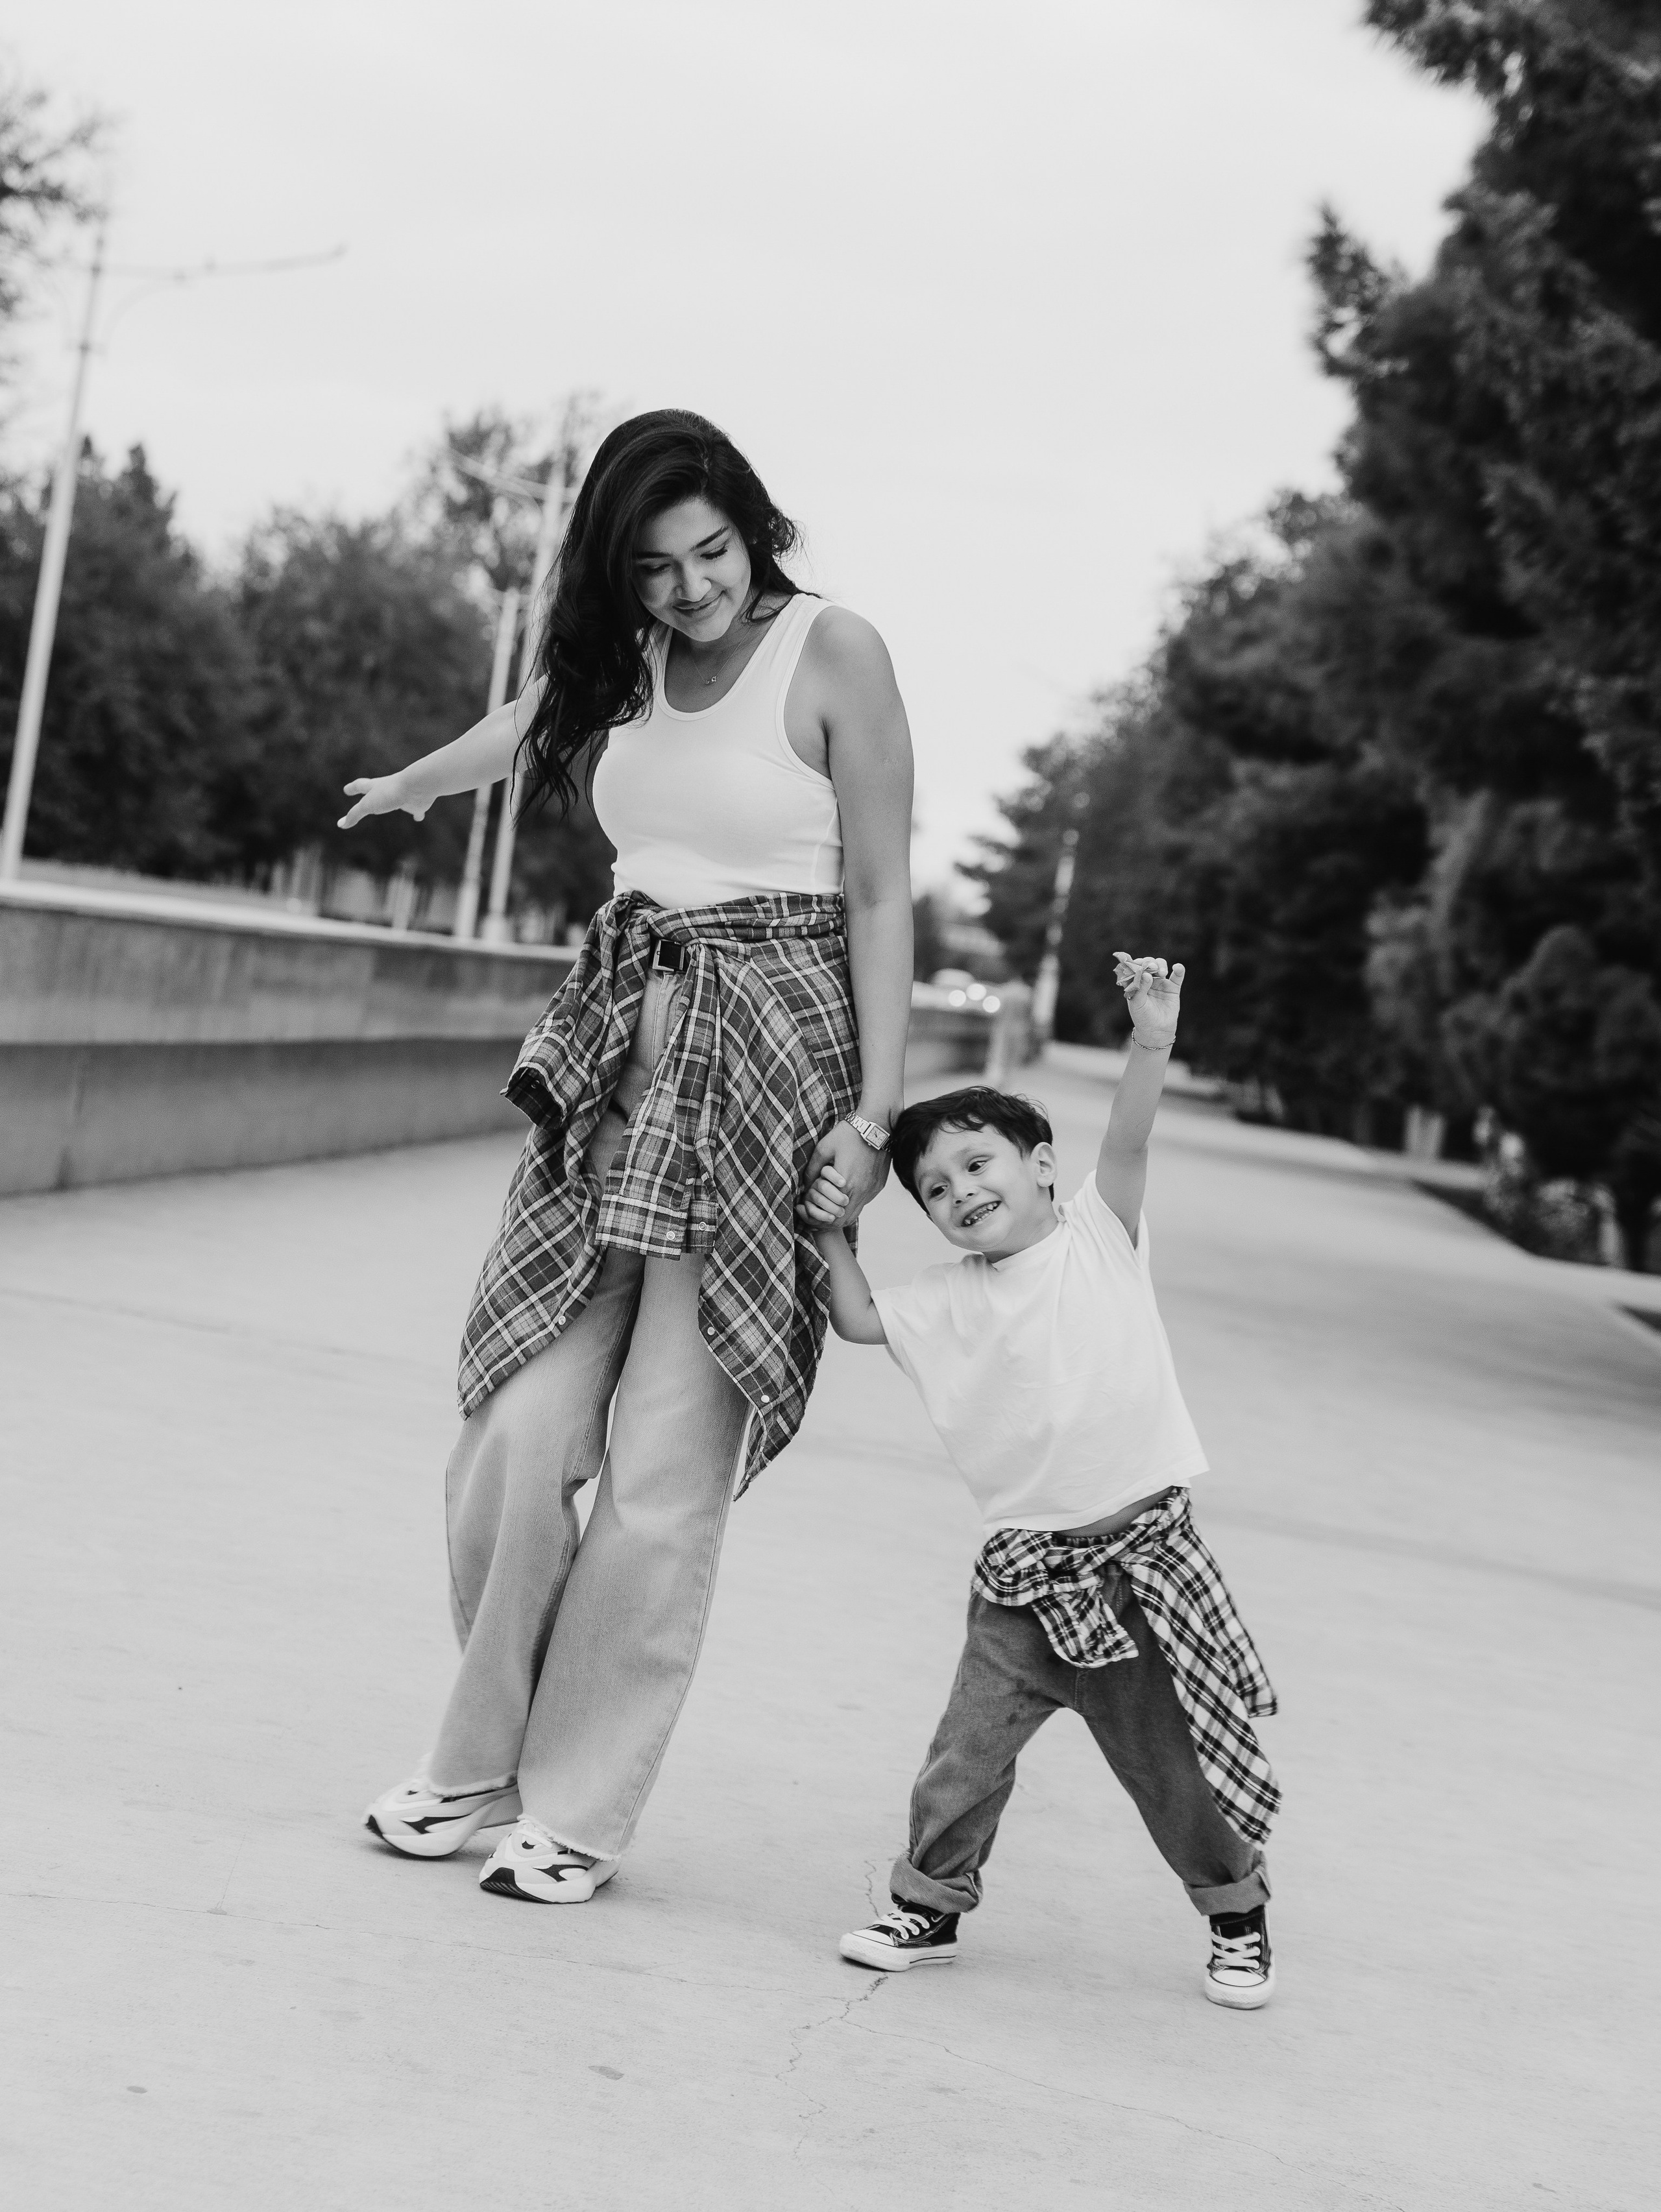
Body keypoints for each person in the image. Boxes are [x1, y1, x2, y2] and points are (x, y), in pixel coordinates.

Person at [337, 409, 914, 1903]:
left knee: (665, 1469)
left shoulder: (832, 652)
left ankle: (577, 1811)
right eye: (653, 569)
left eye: (710, 552)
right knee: (522, 1429)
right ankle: (477, 1759)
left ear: (750, 525)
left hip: (777, 1059)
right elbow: (517, 730)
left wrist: (873, 1126)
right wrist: (414, 783)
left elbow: (877, 891)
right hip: (622, 1048)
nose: (690, 589)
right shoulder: (623, 666)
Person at [801, 956, 1281, 2007]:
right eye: (936, 1188)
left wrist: (1151, 1037)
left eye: (980, 1164)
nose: (963, 1191)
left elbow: (1132, 1137)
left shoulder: (1100, 1240)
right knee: (963, 1757)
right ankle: (929, 1903)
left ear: (1042, 1165)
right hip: (1022, 1583)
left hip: (1142, 1571)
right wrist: (834, 1225)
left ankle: (1236, 1909)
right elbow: (856, 1317)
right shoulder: (942, 1298)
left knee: (1169, 1769)